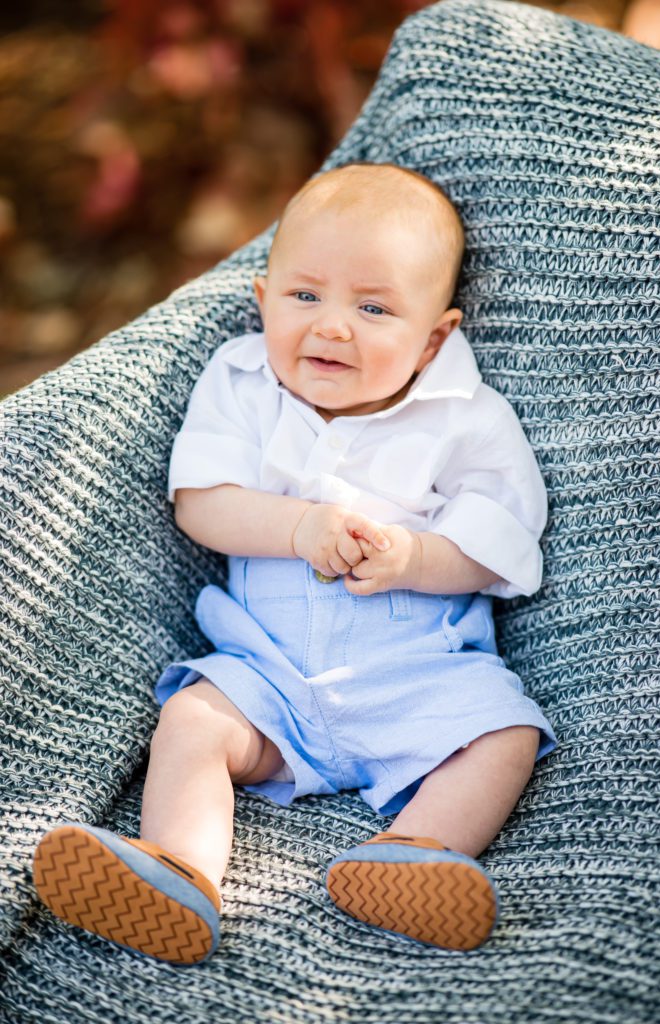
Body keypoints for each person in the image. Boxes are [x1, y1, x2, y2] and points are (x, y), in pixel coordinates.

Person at [32, 162, 557, 966]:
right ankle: (180, 872)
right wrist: (298, 526)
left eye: (373, 308)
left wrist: (417, 555)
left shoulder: (470, 417)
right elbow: (200, 503)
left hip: (415, 676)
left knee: (507, 730)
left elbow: (502, 548)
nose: (332, 327)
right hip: (267, 677)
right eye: (304, 296)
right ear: (263, 298)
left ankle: (417, 850)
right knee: (193, 720)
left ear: (435, 337)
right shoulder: (242, 382)